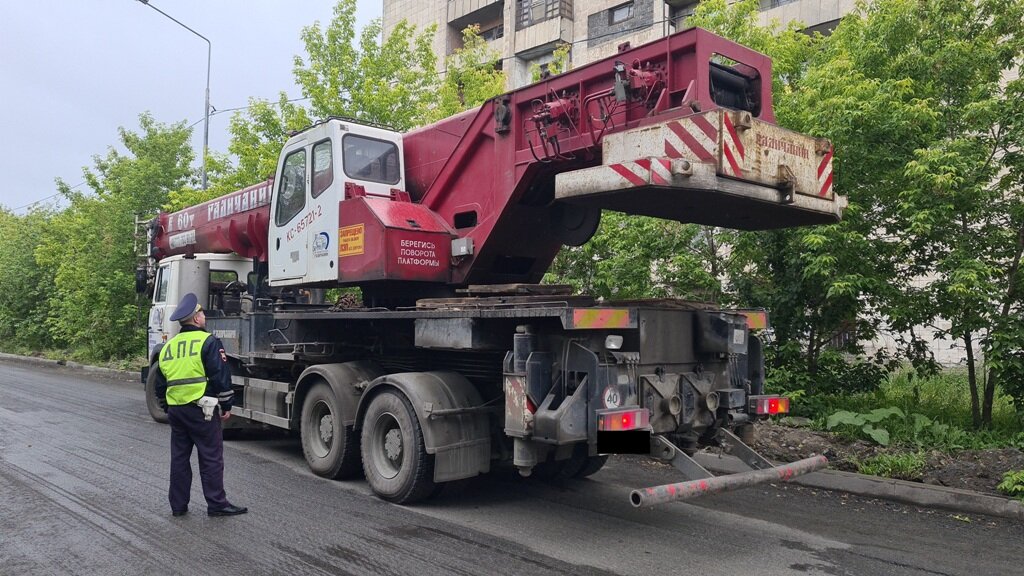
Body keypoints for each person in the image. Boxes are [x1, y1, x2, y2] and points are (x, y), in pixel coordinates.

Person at [155, 292, 248, 518]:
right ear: (196, 319)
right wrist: (227, 404)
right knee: (211, 457)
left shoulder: (168, 346)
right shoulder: (208, 342)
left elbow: (159, 383)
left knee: (179, 458)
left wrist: (167, 406)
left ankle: (178, 506)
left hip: (176, 410)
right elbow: (219, 375)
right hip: (201, 409)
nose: (204, 316)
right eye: (202, 313)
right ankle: (216, 504)